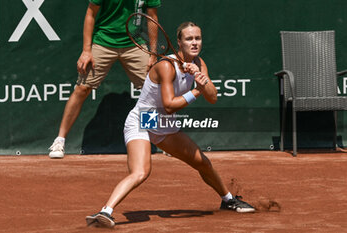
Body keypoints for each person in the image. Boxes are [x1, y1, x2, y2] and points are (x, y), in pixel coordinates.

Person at [85, 22, 255, 228]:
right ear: (179, 42)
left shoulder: (200, 63)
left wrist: (202, 80)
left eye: (197, 38)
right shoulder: (166, 66)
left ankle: (228, 200)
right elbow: (168, 106)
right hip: (143, 120)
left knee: (202, 162)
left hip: (163, 123)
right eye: (189, 39)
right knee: (141, 172)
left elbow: (213, 98)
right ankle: (105, 212)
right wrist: (195, 91)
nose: (194, 43)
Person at [48, 0, 161, 159]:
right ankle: (60, 140)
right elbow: (90, 14)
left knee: (152, 91)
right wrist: (86, 50)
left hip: (135, 43)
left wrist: (153, 53)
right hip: (103, 42)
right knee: (82, 89)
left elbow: (152, 18)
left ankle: (160, 139)